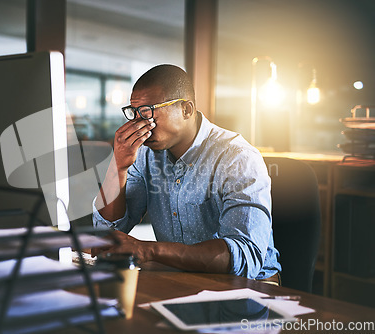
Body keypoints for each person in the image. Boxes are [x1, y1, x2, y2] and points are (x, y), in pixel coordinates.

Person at [92, 64, 281, 281]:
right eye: (135, 113)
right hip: (185, 280)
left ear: (186, 110)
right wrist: (118, 166)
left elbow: (244, 258)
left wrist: (150, 250)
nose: (139, 124)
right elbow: (107, 230)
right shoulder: (145, 155)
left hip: (251, 287)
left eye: (148, 112)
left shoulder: (238, 157)